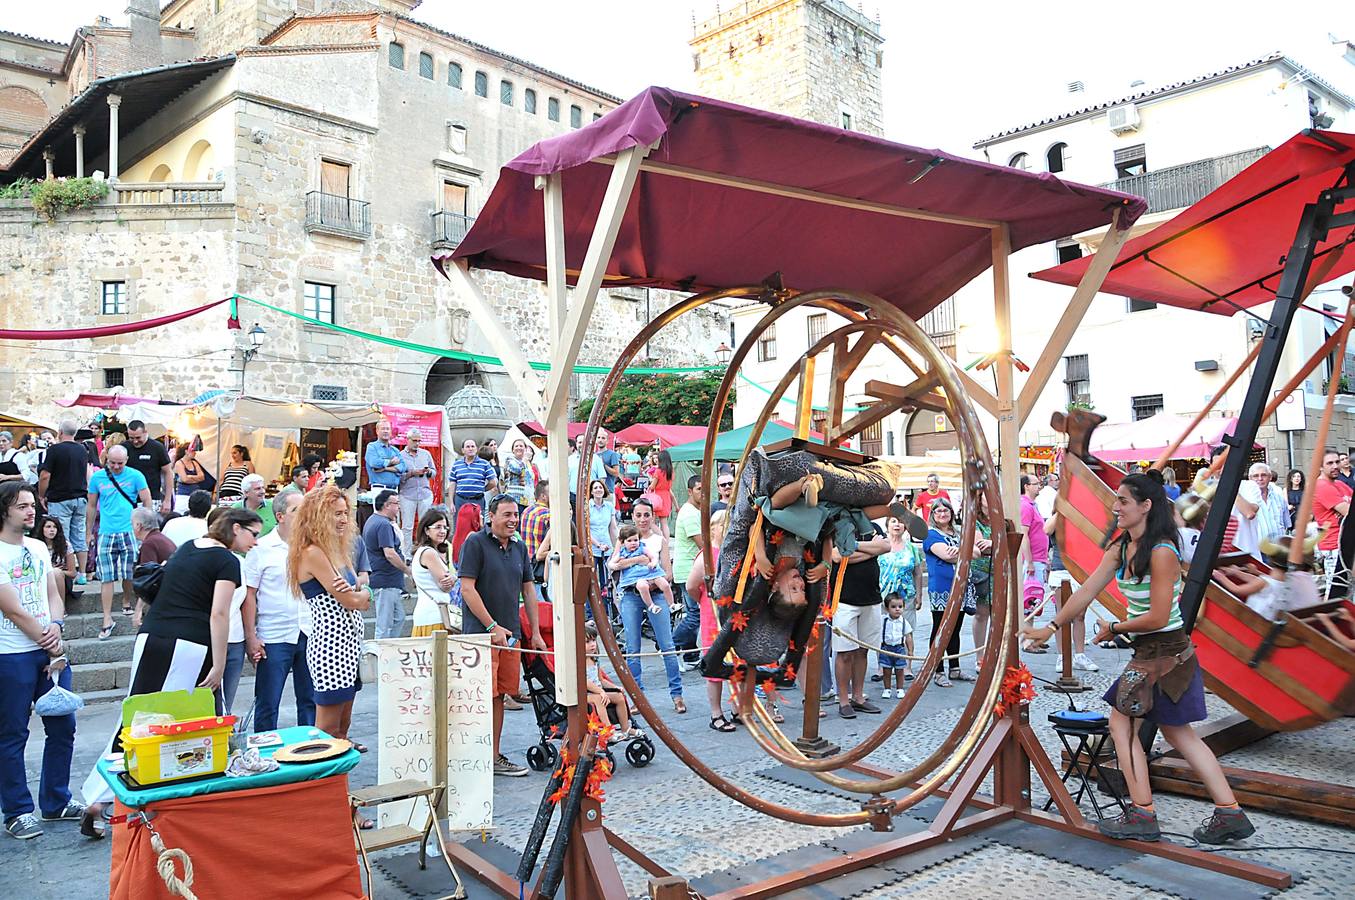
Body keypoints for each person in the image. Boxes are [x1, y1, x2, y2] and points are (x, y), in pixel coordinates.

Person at [1022, 473, 1255, 845]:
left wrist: (1115, 627)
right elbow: (1085, 591)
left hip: (1165, 653)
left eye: (1123, 501)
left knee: (1123, 727)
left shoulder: (1162, 551)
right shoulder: (1122, 547)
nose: (1115, 507)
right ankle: (1228, 812)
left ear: (1145, 506)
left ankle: (1143, 813)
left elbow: (1160, 616)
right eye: (1116, 500)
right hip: (1155, 653)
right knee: (1178, 734)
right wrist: (1050, 627)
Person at [81, 507, 261, 815]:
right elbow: (218, 614)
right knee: (163, 719)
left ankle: (105, 796)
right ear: (235, 528)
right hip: (186, 643)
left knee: (136, 715)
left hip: (152, 636)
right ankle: (106, 796)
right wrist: (219, 664)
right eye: (253, 533)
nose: (255, 542)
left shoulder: (189, 547)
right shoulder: (226, 561)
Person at [0, 482, 83, 840]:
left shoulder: (37, 547)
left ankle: (55, 800)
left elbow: (54, 592)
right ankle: (17, 810)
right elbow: (12, 608)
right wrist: (44, 637)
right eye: (21, 506)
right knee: (13, 734)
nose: (31, 511)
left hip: (50, 647)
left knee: (63, 725)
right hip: (11, 653)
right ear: (4, 510)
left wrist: (56, 625)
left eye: (32, 505)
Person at [459, 495, 547, 776]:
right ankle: (471, 756)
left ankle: (493, 756)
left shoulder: (519, 547)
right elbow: (467, 589)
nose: (512, 520)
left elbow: (529, 590)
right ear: (491, 516)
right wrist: (491, 626)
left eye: (515, 515)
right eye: (506, 514)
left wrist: (534, 632)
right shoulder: (475, 542)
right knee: (478, 698)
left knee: (500, 696)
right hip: (481, 636)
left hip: (511, 635)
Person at [288, 485, 371, 759]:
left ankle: (337, 788)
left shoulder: (336, 551)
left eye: (345, 513)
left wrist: (362, 592)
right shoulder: (312, 552)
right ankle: (319, 788)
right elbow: (353, 601)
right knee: (327, 729)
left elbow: (361, 595)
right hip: (331, 647)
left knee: (343, 728)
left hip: (349, 644)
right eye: (336, 514)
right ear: (317, 516)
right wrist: (361, 593)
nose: (343, 519)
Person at [242, 491, 314, 733]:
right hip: (274, 634)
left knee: (310, 700)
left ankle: (311, 748)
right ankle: (264, 752)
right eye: (297, 511)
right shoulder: (261, 548)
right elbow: (249, 595)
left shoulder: (312, 548)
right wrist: (251, 637)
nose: (304, 515)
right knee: (268, 701)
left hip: (309, 630)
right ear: (280, 516)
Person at [609, 499, 686, 713]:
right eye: (639, 515)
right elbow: (613, 564)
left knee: (667, 646)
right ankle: (637, 698)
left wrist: (652, 582)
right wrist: (637, 561)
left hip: (655, 593)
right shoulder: (625, 539)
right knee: (633, 649)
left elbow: (667, 572)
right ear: (633, 516)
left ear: (653, 516)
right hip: (631, 596)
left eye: (646, 515)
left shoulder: (659, 540)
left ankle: (677, 695)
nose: (643, 519)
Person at [86, 445, 150, 641]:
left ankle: (126, 600)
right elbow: (90, 505)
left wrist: (144, 527)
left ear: (127, 460)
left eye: (120, 463)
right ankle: (106, 618)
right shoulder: (98, 478)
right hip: (106, 530)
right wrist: (88, 532)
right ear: (106, 460)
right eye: (112, 463)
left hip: (129, 530)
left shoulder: (135, 475)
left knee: (129, 571)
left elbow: (147, 500)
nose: (115, 466)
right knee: (106, 576)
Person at [830, 520, 889, 718]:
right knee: (845, 652)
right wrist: (872, 549)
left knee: (863, 650)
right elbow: (836, 556)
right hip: (845, 599)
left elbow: (886, 546)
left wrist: (852, 548)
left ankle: (858, 696)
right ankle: (844, 699)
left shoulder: (873, 526)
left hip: (871, 597)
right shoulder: (837, 526)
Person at [688, 509, 735, 730]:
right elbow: (691, 586)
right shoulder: (707, 555)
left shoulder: (735, 551)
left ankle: (737, 707)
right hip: (713, 614)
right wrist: (705, 602)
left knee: (738, 661)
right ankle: (716, 713)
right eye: (722, 524)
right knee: (715, 663)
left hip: (734, 614)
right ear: (713, 527)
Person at [37, 420, 89, 587]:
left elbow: (45, 475)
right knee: (79, 536)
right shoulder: (82, 450)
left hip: (60, 498)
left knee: (61, 536)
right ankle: (82, 573)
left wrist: (41, 495)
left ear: (60, 432)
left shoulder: (54, 449)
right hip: (80, 497)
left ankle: (64, 572)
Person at [923, 499, 967, 687]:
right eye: (938, 511)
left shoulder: (959, 532)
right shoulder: (931, 534)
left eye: (945, 510)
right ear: (932, 514)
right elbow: (947, 555)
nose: (942, 513)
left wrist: (962, 551)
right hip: (942, 587)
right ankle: (937, 670)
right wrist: (964, 552)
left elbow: (974, 552)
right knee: (940, 628)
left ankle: (954, 667)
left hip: (962, 585)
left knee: (956, 628)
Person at [877, 515, 922, 686]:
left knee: (907, 631)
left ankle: (907, 666)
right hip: (883, 595)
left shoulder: (911, 548)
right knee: (882, 632)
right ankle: (882, 667)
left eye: (901, 522)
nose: (898, 525)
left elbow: (917, 572)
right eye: (894, 521)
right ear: (887, 525)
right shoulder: (880, 545)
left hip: (906, 596)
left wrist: (919, 594)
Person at [363, 489, 409, 640]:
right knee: (384, 624)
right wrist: (407, 570)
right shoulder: (383, 525)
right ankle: (380, 657)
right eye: (396, 504)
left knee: (398, 618)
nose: (398, 507)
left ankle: (389, 650)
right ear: (387, 505)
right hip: (384, 580)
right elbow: (389, 553)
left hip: (387, 580)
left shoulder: (374, 520)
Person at [670, 475, 706, 666]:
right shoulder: (690, 513)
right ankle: (670, 645)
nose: (703, 492)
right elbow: (702, 544)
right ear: (690, 491)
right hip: (688, 569)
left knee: (693, 612)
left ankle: (690, 656)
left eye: (705, 488)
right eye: (699, 489)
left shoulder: (694, 510)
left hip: (688, 568)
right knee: (695, 614)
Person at [583, 623, 642, 739]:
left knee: (619, 696)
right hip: (585, 694)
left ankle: (625, 728)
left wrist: (615, 687)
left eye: (593, 641)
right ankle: (608, 731)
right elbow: (585, 682)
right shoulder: (580, 662)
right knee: (599, 699)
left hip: (599, 691)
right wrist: (600, 691)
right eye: (587, 642)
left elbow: (601, 679)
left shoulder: (594, 659)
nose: (592, 645)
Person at [409, 509, 458, 637]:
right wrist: (454, 577)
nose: (443, 531)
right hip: (434, 617)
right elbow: (445, 585)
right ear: (426, 530)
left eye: (445, 527)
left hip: (430, 615)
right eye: (437, 527)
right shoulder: (429, 553)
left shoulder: (426, 552)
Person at [1312, 449, 1352, 597]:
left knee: (1348, 593)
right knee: (1336, 595)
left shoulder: (1340, 484)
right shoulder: (1321, 486)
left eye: (1337, 462)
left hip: (1345, 544)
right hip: (1334, 547)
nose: (1335, 466)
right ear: (1320, 467)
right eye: (1330, 463)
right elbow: (1349, 512)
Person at [614, 524, 676, 615]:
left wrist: (653, 563)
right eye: (629, 541)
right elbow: (612, 563)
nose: (633, 543)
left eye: (635, 540)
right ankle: (651, 605)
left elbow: (653, 557)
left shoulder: (642, 548)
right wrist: (615, 565)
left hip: (649, 573)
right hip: (635, 578)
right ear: (623, 542)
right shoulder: (622, 553)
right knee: (642, 586)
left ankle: (672, 604)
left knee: (664, 584)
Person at [130, 507, 176, 628]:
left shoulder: (149, 543)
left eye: (132, 524)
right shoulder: (162, 539)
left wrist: (138, 610)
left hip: (162, 601)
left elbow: (148, 581)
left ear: (139, 526)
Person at [397, 429, 437, 555]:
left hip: (424, 494)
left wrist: (428, 471)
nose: (417, 443)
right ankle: (406, 554)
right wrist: (411, 473)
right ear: (407, 440)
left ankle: (424, 552)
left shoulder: (426, 454)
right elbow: (398, 477)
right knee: (407, 526)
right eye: (414, 441)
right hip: (407, 494)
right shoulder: (400, 456)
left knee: (425, 525)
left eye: (419, 441)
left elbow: (434, 472)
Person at [124, 421, 174, 517]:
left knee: (149, 529)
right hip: (128, 498)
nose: (135, 441)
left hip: (152, 498)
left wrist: (167, 500)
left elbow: (168, 472)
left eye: (138, 438)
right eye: (131, 438)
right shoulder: (124, 448)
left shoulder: (157, 447)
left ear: (145, 432)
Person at [585, 479, 618, 617]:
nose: (598, 490)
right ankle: (590, 613)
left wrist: (616, 546)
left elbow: (613, 527)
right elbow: (586, 529)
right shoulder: (587, 507)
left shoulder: (609, 506)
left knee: (606, 582)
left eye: (600, 487)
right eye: (595, 488)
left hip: (606, 547)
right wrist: (597, 544)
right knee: (591, 579)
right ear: (591, 492)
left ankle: (605, 611)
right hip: (593, 547)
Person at [1239, 463, 1288, 546]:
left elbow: (1286, 524)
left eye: (1264, 475)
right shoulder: (1245, 500)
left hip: (1278, 549)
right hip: (1257, 550)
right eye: (1255, 476)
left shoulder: (1279, 497)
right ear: (1250, 478)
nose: (1260, 478)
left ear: (1270, 477)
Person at [520, 480, 552, 601]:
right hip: (541, 567)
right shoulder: (548, 515)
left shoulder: (526, 511)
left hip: (527, 564)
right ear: (543, 496)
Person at [34, 514, 76, 603]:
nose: (52, 530)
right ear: (42, 529)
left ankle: (61, 608)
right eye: (48, 527)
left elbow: (73, 573)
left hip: (61, 580)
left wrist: (55, 570)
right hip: (41, 579)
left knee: (56, 572)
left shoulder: (66, 545)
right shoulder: (35, 545)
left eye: (55, 527)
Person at [448, 438, 497, 513]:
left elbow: (493, 482)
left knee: (477, 523)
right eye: (467, 447)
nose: (470, 449)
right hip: (460, 500)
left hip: (478, 501)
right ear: (463, 450)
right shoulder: (456, 464)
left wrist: (482, 489)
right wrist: (451, 502)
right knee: (460, 524)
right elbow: (452, 483)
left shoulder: (484, 464)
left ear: (476, 449)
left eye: (473, 446)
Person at [878, 595, 911, 700]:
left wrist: (910, 650)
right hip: (886, 648)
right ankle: (887, 689)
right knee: (886, 670)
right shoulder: (883, 620)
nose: (897, 609)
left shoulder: (904, 622)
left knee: (900, 670)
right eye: (893, 606)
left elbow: (908, 636)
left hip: (899, 649)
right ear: (887, 608)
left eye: (900, 606)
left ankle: (900, 689)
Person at [364, 419, 406, 494]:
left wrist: (385, 468)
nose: (386, 431)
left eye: (388, 429)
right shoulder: (372, 447)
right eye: (383, 429)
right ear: (377, 431)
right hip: (379, 490)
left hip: (394, 490)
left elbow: (403, 467)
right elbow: (375, 463)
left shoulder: (395, 450)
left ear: (391, 432)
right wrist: (391, 462)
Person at [567, 438, 606, 508]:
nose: (582, 445)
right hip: (573, 497)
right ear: (576, 444)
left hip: (591, 497)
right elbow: (566, 479)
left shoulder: (596, 459)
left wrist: (597, 495)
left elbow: (602, 478)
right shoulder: (569, 460)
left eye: (584, 442)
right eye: (580, 442)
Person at [171, 442, 209, 513]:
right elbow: (184, 479)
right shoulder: (179, 463)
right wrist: (196, 478)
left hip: (195, 495)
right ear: (186, 451)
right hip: (183, 495)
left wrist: (190, 477)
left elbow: (202, 477)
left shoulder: (195, 463)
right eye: (193, 451)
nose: (195, 453)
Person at [645, 449, 675, 537]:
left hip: (657, 497)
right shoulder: (671, 472)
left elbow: (652, 486)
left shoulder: (658, 471)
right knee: (664, 523)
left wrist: (650, 484)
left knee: (652, 521)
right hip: (666, 496)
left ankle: (659, 536)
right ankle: (666, 541)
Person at [502, 438, 536, 509]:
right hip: (514, 498)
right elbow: (517, 470)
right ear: (513, 450)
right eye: (516, 446)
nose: (519, 448)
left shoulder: (527, 463)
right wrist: (524, 460)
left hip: (527, 499)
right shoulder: (510, 460)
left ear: (525, 449)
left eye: (521, 446)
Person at [451, 502, 482, 567]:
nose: (482, 517)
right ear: (474, 520)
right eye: (480, 514)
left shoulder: (456, 537)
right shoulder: (473, 537)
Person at [594, 430, 622, 495]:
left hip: (608, 491)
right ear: (595, 440)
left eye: (603, 438)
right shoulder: (594, 455)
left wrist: (603, 465)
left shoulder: (612, 454)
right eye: (598, 437)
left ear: (607, 441)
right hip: (595, 491)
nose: (600, 440)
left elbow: (616, 473)